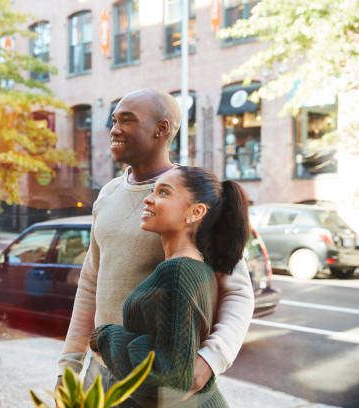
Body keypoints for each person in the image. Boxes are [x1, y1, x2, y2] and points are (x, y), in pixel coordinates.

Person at [57, 89, 254, 400]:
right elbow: (90, 283)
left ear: (161, 130)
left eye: (127, 120)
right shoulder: (107, 194)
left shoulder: (191, 198)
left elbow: (237, 290)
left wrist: (210, 360)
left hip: (153, 380)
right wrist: (69, 366)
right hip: (100, 371)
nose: (115, 129)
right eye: (114, 120)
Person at [90, 166, 250, 407]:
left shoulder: (178, 271)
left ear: (196, 212)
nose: (148, 198)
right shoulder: (191, 266)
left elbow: (168, 378)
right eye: (154, 190)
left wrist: (105, 336)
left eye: (163, 192)